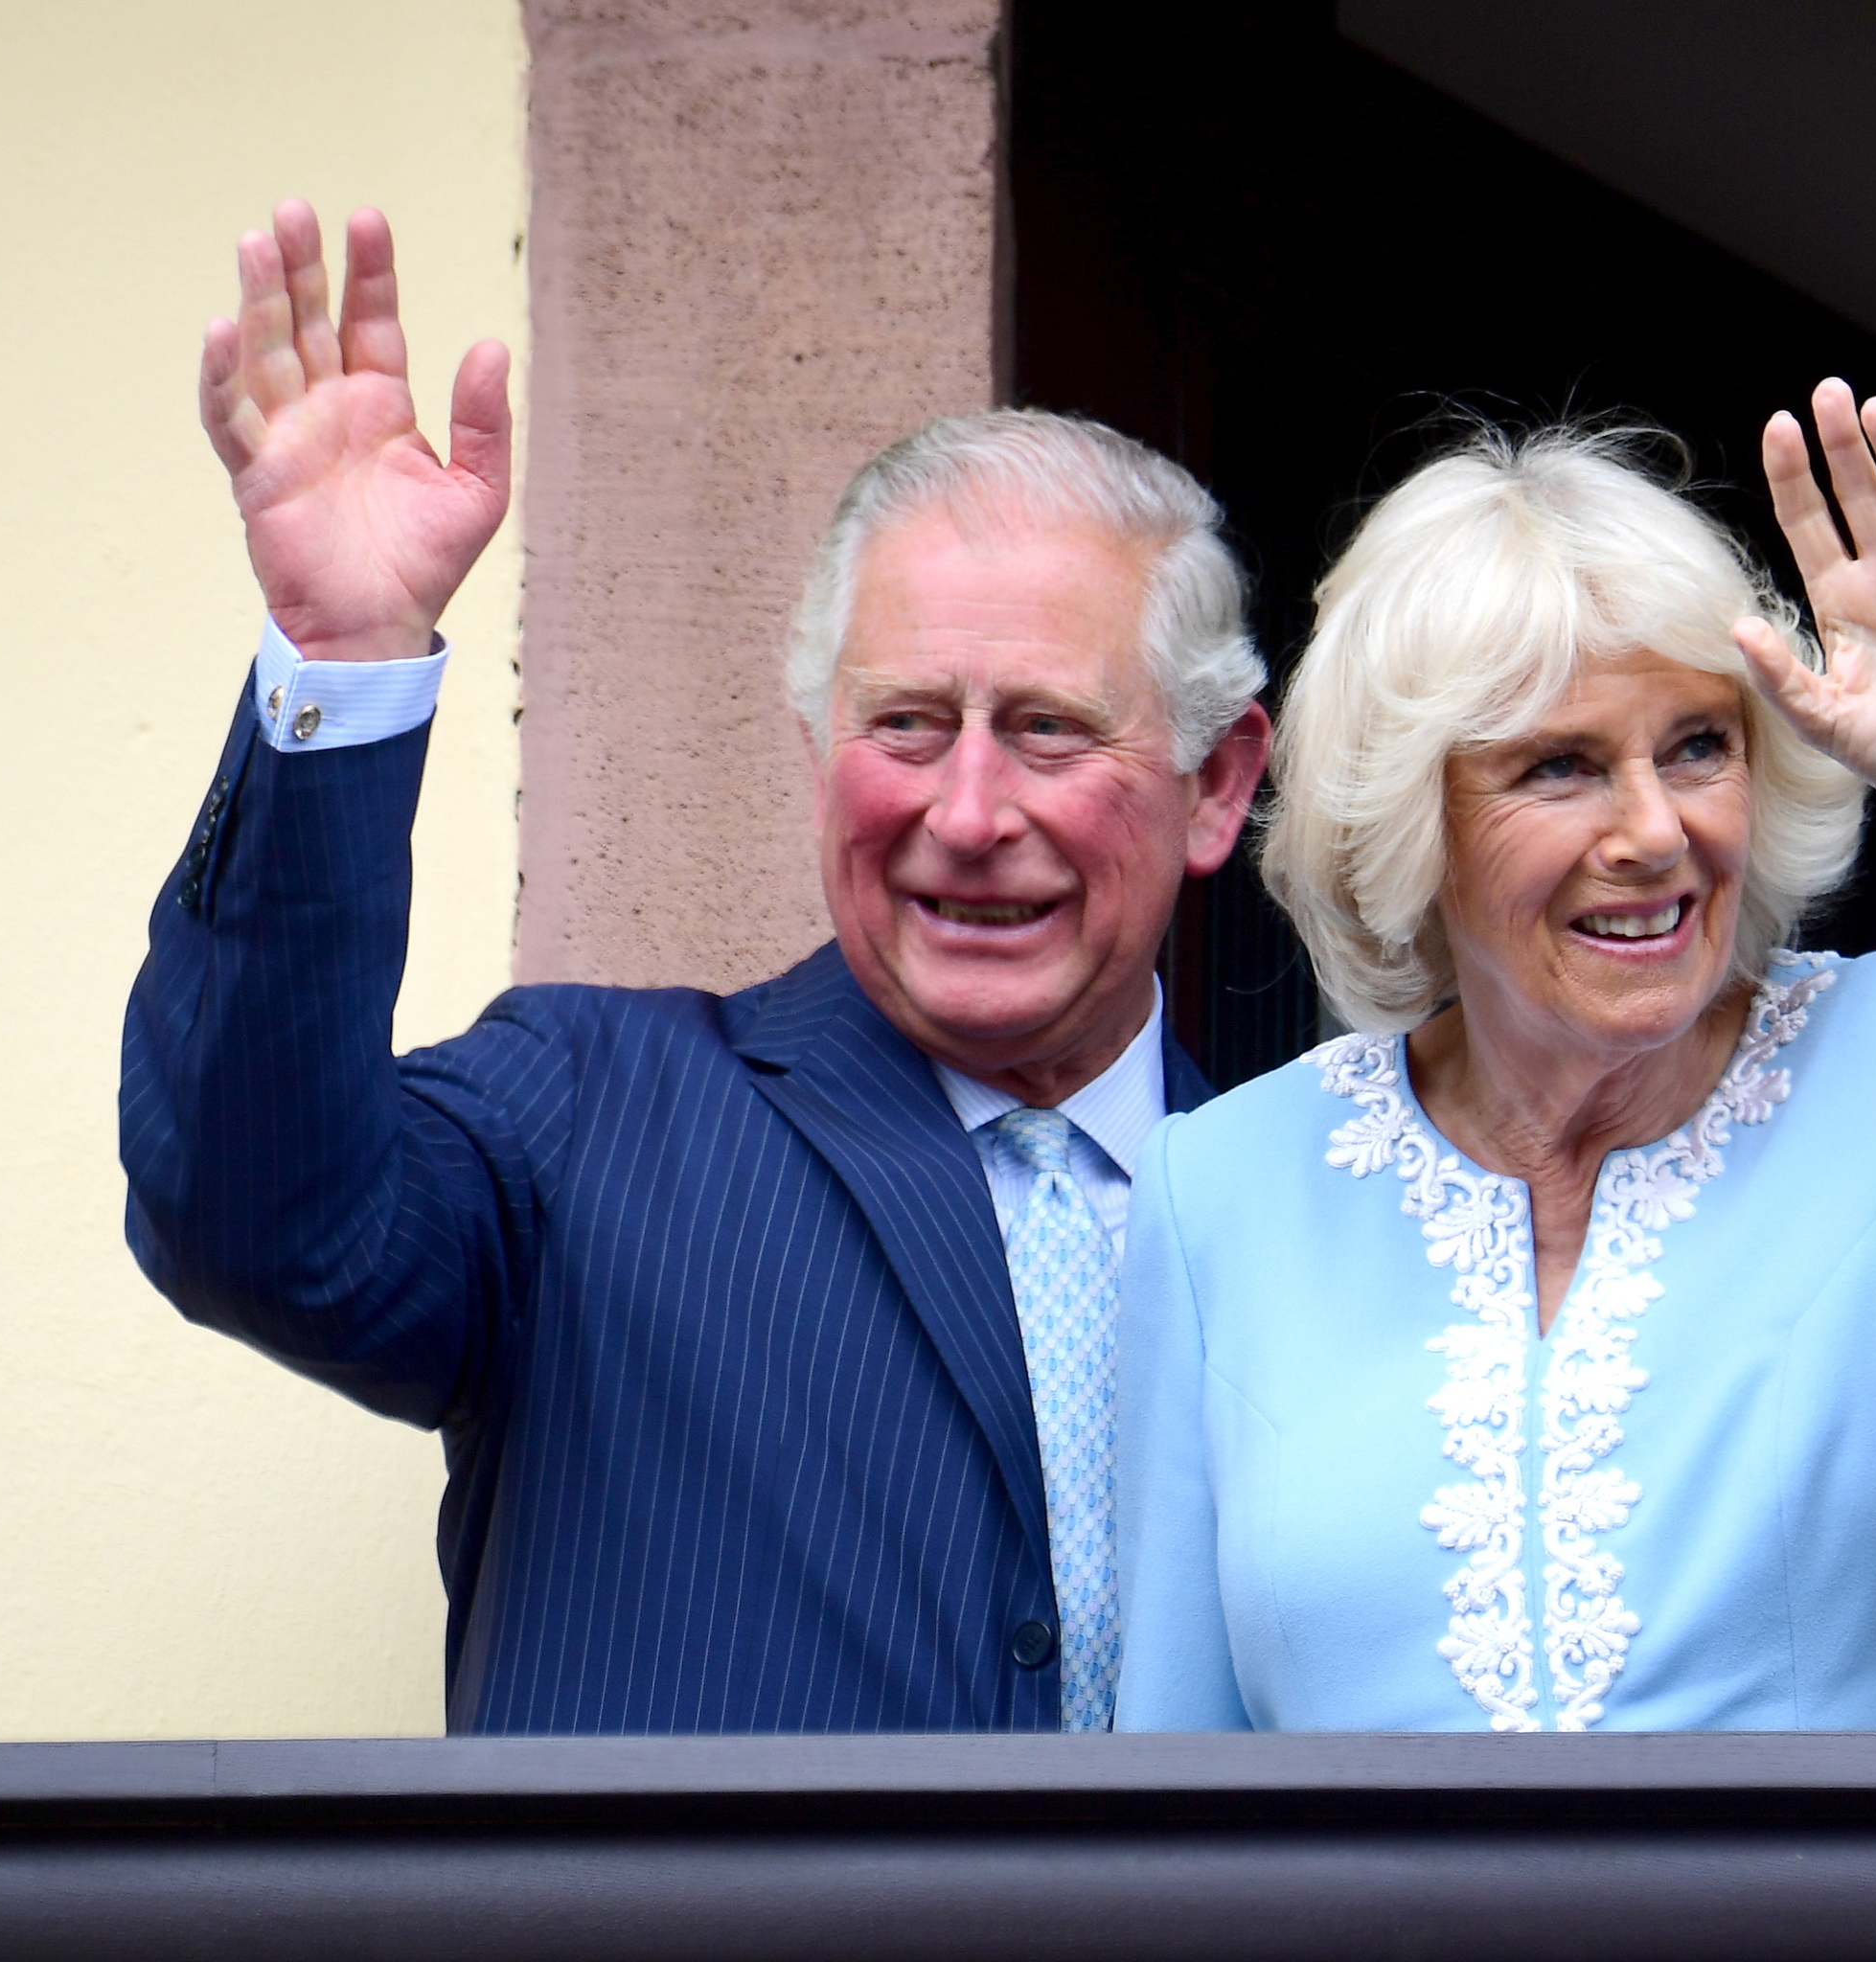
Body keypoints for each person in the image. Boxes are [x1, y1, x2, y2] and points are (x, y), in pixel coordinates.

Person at [122, 202, 1270, 1732]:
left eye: (1052, 728)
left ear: (1217, 785)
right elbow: (248, 1220)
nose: (971, 812)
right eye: (906, 725)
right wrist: (344, 664)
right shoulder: (584, 1114)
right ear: (818, 758)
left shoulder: (1312, 1214)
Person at [1113, 386, 1876, 1731]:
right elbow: (1175, 1764)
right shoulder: (1221, 1189)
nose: (1655, 831)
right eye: (1560, 767)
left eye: (1698, 747)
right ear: (1410, 818)